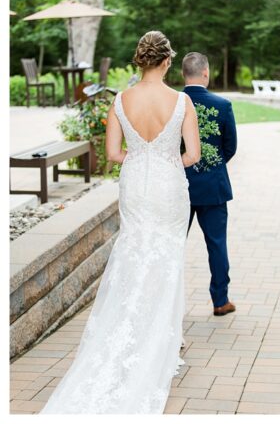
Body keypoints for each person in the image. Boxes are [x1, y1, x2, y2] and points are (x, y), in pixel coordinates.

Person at [42, 31, 201, 413]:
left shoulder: (120, 101)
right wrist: (163, 161)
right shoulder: (182, 101)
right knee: (166, 258)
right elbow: (192, 155)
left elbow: (113, 153)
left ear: (140, 61)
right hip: (168, 188)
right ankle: (159, 342)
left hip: (135, 185)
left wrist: (141, 156)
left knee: (134, 252)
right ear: (166, 62)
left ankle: (126, 333)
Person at [181, 52, 238, 316]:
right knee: (216, 244)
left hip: (179, 184)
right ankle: (220, 300)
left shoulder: (174, 104)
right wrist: (211, 165)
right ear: (205, 73)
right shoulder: (222, 104)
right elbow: (230, 147)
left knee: (174, 244)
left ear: (183, 74)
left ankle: (170, 302)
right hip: (213, 186)